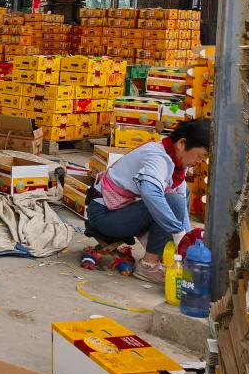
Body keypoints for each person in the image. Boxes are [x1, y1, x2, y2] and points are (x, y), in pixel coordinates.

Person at [86, 119, 209, 284]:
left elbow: (181, 201)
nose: (199, 161)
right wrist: (177, 232)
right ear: (182, 144)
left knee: (180, 195)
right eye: (200, 155)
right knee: (169, 200)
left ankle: (165, 256)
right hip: (104, 215)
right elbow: (151, 194)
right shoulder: (157, 157)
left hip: (123, 211)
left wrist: (187, 241)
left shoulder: (177, 162)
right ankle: (147, 266)